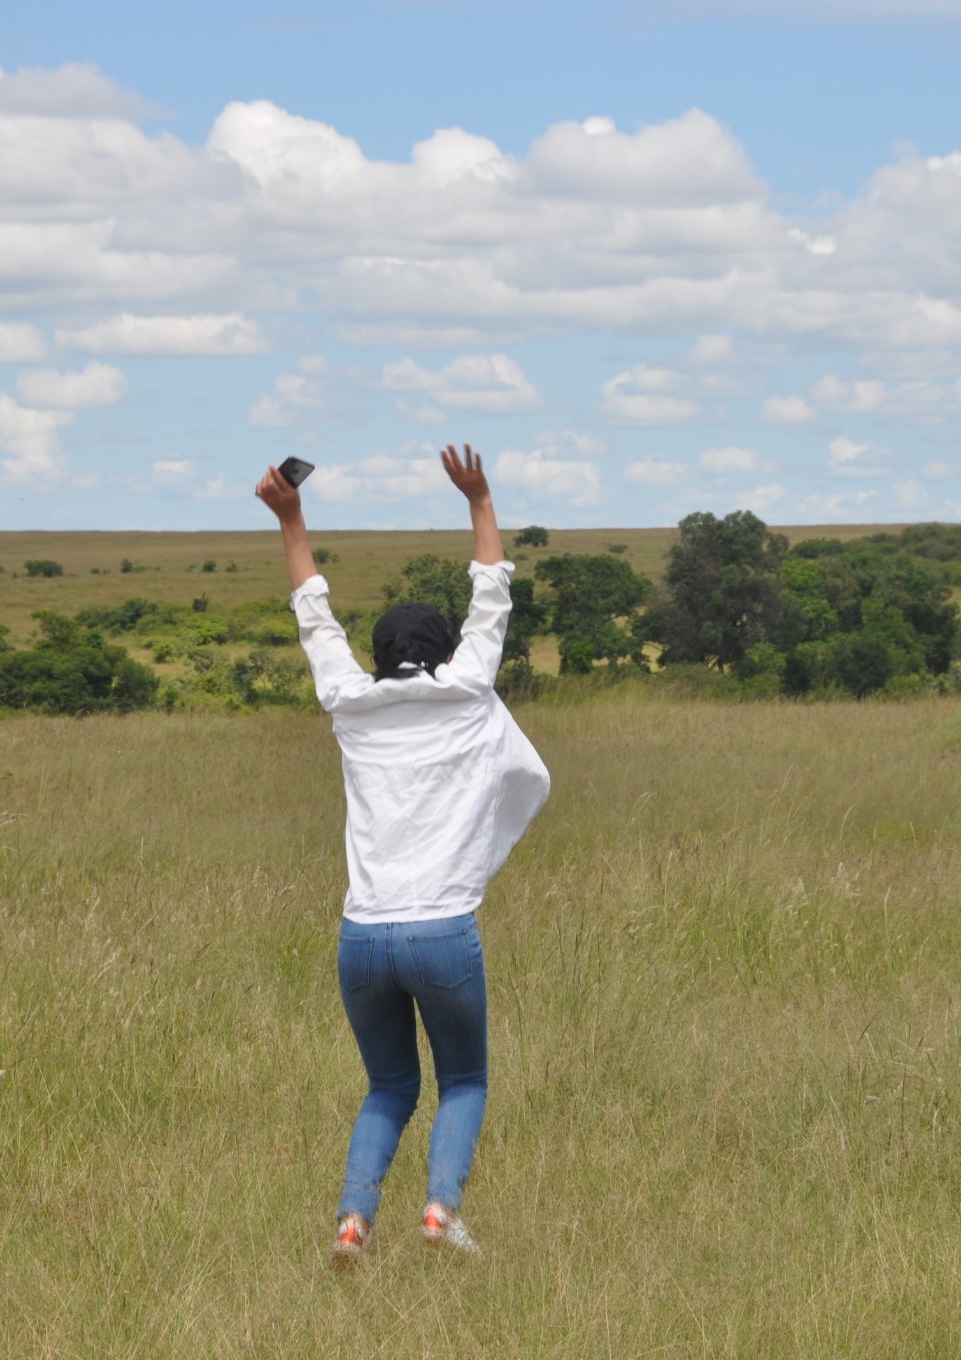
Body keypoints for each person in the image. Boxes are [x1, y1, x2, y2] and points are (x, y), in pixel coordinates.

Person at [255, 444, 550, 1269]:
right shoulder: (468, 691)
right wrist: (480, 500)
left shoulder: (350, 703)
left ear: (378, 656)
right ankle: (439, 1213)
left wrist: (291, 517)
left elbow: (313, 612)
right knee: (464, 1083)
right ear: (444, 649)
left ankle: (353, 1223)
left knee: (389, 1087)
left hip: (362, 937)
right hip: (442, 934)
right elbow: (492, 593)